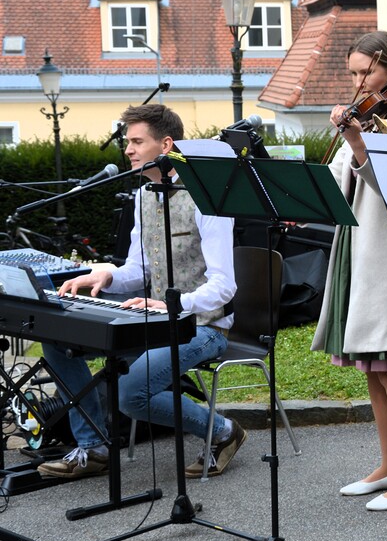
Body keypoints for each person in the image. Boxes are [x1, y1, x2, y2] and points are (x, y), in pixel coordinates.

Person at [38, 103, 244, 480]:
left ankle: (224, 431)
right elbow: (139, 270)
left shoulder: (207, 198)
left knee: (130, 393)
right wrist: (103, 277)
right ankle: (93, 446)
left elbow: (224, 287)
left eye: (136, 141)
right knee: (57, 338)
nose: (128, 150)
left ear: (165, 145)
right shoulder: (145, 194)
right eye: (127, 142)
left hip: (204, 327)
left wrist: (172, 305)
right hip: (155, 319)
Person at [311, 30, 387, 512]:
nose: (359, 82)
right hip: (358, 248)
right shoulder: (363, 116)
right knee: (371, 367)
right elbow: (343, 182)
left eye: (367, 72)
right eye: (354, 74)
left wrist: (356, 140)